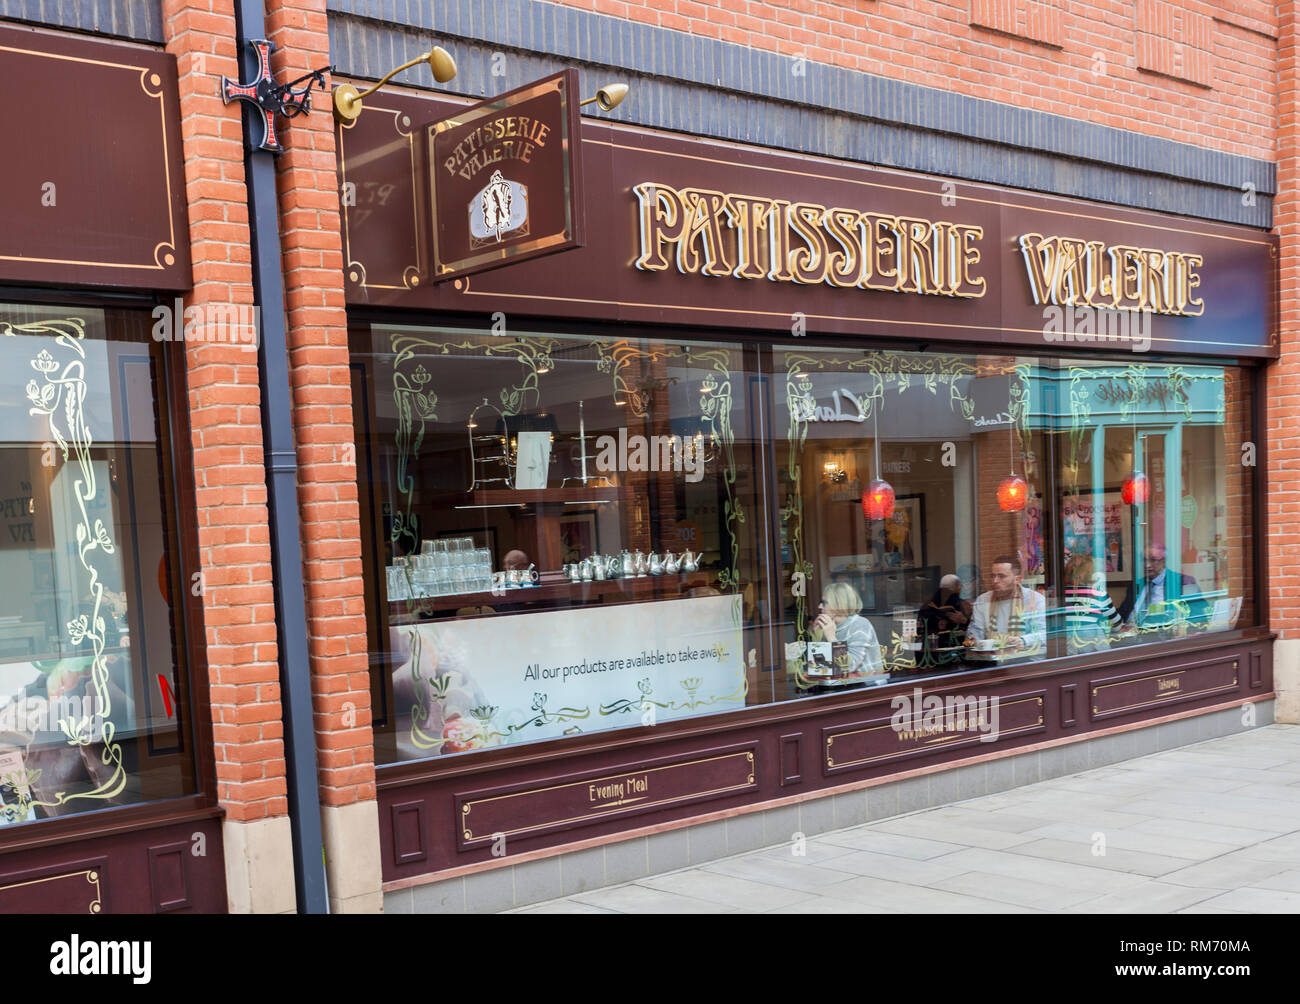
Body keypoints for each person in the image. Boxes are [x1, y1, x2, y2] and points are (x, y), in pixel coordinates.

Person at [968, 554, 1046, 654]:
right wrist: (974, 641)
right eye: (993, 576)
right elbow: (975, 632)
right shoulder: (983, 600)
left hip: (1026, 661)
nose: (995, 581)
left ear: (1017, 579)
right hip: (991, 662)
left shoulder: (1035, 600)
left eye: (1001, 576)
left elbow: (1044, 633)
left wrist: (1024, 640)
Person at [1119, 544, 1208, 630]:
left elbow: (1199, 617)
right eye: (1144, 560)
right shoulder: (1136, 585)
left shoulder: (1184, 582)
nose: (1147, 565)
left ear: (1164, 561)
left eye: (1153, 560)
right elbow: (1123, 613)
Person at [811, 581, 886, 682]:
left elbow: (849, 666)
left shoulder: (860, 625)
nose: (819, 607)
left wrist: (831, 638)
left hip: (867, 687)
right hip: (841, 686)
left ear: (838, 604)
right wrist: (817, 637)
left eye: (824, 603)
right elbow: (820, 668)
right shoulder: (828, 626)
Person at [1063, 552, 1120, 653]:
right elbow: (1117, 624)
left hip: (1066, 649)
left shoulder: (1060, 594)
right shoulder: (1099, 594)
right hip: (1092, 649)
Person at [917, 574, 972, 641]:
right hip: (935, 644)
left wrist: (964, 620)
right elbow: (921, 627)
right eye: (959, 585)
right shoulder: (928, 606)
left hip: (956, 643)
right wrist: (938, 623)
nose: (961, 587)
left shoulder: (963, 605)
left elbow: (973, 629)